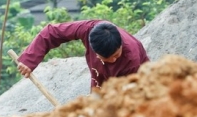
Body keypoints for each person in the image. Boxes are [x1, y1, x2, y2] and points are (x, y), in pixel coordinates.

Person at [17, 20, 149, 92]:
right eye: (107, 58)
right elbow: (51, 32)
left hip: (136, 80)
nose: (113, 60)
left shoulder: (131, 57)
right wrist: (29, 59)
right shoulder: (87, 29)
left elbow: (124, 94)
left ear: (120, 44)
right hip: (99, 76)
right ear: (94, 50)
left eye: (116, 55)